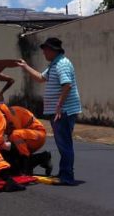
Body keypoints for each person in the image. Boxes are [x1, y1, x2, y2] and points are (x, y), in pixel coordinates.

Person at [17, 36, 81, 185]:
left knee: (64, 144)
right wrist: (25, 66)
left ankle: (67, 176)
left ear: (53, 50)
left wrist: (59, 106)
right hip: (62, 110)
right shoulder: (55, 64)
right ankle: (64, 172)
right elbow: (40, 77)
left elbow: (67, 85)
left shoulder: (61, 65)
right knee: (63, 143)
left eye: (45, 50)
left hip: (63, 111)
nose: (44, 53)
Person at [0, 103, 52, 176]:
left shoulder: (12, 118)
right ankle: (42, 158)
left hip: (38, 135)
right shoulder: (6, 116)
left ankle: (27, 164)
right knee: (12, 146)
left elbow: (14, 140)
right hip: (30, 135)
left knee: (15, 139)